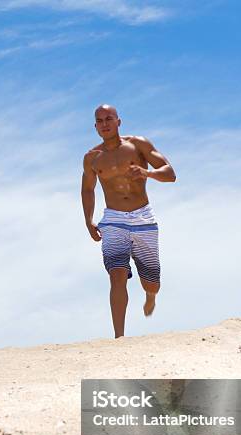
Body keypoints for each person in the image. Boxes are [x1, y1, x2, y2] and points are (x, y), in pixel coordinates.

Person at [81, 104, 176, 338]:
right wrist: (88, 221)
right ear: (95, 126)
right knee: (117, 274)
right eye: (100, 120)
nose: (104, 124)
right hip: (113, 219)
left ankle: (151, 295)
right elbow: (87, 190)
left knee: (151, 282)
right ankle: (119, 338)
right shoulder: (92, 158)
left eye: (109, 119)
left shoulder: (138, 144)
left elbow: (170, 173)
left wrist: (147, 173)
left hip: (142, 216)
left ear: (118, 122)